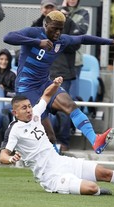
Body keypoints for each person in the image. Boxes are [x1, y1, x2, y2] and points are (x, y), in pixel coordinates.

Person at [0, 77, 114, 197]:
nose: (29, 110)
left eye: (29, 106)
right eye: (24, 108)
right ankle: (96, 191)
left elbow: (46, 95)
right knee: (92, 188)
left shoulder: (36, 113)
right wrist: (11, 158)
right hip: (50, 176)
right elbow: (2, 155)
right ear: (15, 112)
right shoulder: (14, 130)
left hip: (63, 162)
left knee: (105, 172)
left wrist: (55, 83)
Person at [3, 10, 114, 154]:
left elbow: (83, 38)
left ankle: (95, 140)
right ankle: (46, 167)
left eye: (61, 29)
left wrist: (112, 42)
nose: (58, 33)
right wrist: (37, 42)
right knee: (50, 136)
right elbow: (8, 37)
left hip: (45, 84)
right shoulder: (34, 33)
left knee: (70, 105)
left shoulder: (62, 41)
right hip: (26, 89)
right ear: (45, 25)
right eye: (55, 28)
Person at [31, 0, 82, 152]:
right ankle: (42, 142)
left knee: (65, 109)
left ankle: (63, 141)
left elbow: (76, 44)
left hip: (62, 74)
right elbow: (30, 43)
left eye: (51, 8)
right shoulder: (37, 24)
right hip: (43, 75)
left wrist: (59, 38)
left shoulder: (67, 23)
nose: (49, 11)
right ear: (42, 10)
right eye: (46, 8)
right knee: (40, 109)